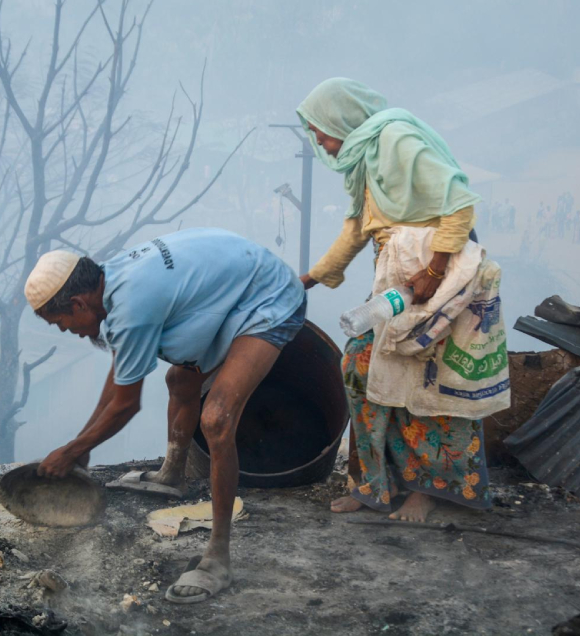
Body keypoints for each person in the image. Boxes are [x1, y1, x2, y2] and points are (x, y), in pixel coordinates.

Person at [27, 227, 305, 604]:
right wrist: (81, 445)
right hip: (235, 290)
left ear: (77, 303)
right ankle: (172, 474)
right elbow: (120, 374)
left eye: (59, 321)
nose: (66, 330)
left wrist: (73, 448)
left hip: (269, 297)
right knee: (180, 380)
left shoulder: (131, 307)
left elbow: (126, 404)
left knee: (216, 419)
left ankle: (218, 557)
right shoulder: (110, 280)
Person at [294, 78, 493, 523]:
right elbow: (356, 229)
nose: (321, 143)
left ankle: (429, 489)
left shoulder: (396, 138)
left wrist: (435, 270)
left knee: (425, 378)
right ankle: (374, 485)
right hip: (398, 275)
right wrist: (307, 279)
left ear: (340, 120)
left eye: (321, 132)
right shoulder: (365, 156)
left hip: (436, 271)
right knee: (360, 368)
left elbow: (458, 204)